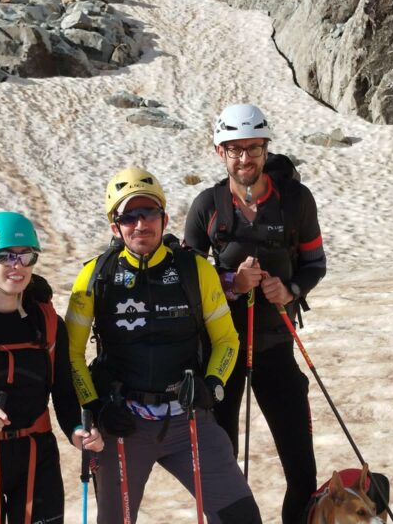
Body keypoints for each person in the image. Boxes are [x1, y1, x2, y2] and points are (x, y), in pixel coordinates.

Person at [65, 167, 262, 524]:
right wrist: (95, 406)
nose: (141, 224)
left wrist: (213, 386)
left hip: (188, 420)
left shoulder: (194, 269)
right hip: (123, 423)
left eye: (150, 213)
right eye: (129, 216)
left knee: (241, 517)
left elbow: (227, 340)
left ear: (164, 217)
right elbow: (72, 355)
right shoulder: (95, 275)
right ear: (115, 226)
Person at [184, 104, 327, 524]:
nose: (244, 158)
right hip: (221, 352)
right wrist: (231, 284)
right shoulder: (207, 205)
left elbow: (315, 263)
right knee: (224, 466)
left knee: (301, 468)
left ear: (266, 150)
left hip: (276, 344)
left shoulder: (296, 201)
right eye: (234, 149)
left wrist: (290, 289)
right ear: (219, 152)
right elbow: (187, 278)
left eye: (253, 148)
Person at [0, 211, 103, 524]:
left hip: (37, 455)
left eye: (26, 256)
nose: (17, 266)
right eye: (5, 257)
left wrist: (77, 431)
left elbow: (63, 393)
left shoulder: (50, 325)